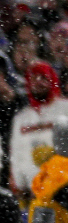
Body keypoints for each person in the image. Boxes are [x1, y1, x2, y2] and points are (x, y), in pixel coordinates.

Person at [9, 60, 68, 196]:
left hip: (63, 191)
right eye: (33, 78)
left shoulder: (65, 108)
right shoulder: (21, 118)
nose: (38, 82)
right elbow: (16, 154)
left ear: (52, 80)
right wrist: (18, 185)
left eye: (43, 78)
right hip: (32, 194)